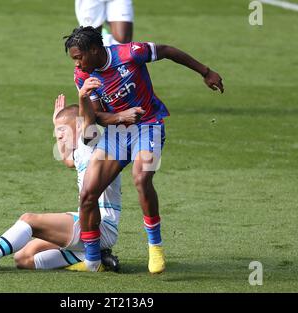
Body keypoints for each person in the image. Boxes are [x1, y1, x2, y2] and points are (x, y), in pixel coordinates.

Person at [63, 26, 224, 274]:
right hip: (117, 133)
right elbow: (95, 118)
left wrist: (205, 71)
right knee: (87, 195)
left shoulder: (131, 53)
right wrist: (96, 104)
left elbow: (168, 51)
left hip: (148, 126)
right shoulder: (83, 76)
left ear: (94, 50)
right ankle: (93, 262)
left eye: (78, 57)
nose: (77, 63)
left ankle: (155, 247)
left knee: (141, 177)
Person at [0, 92, 122, 274]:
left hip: (100, 226)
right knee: (24, 258)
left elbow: (88, 121)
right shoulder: (82, 149)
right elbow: (67, 160)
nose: (60, 137)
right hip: (87, 221)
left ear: (80, 126)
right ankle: (95, 256)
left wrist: (83, 96)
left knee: (29, 220)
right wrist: (57, 125)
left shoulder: (94, 141)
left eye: (63, 131)